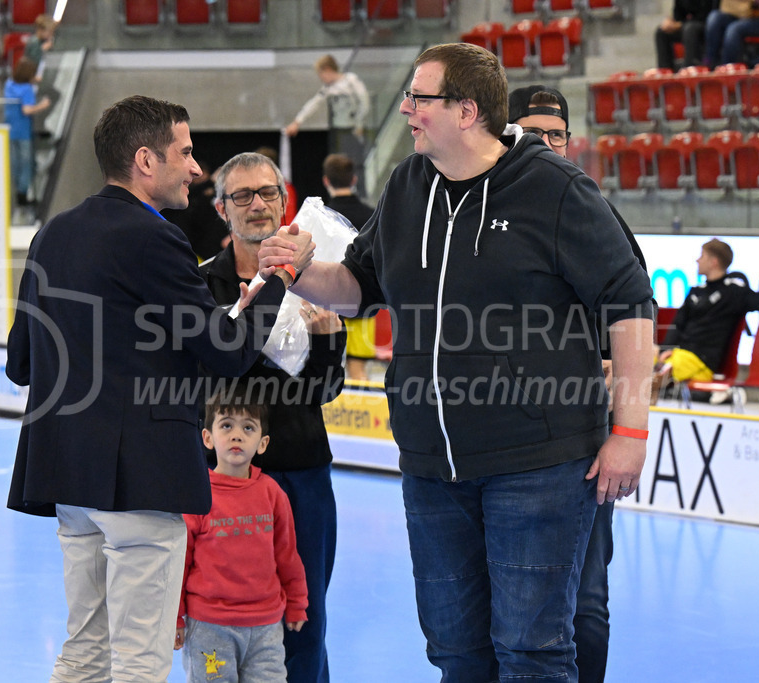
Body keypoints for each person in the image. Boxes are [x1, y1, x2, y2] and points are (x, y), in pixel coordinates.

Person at [259, 42, 656, 682]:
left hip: (540, 464)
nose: (408, 109)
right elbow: (360, 286)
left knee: (532, 651)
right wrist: (302, 271)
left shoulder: (554, 188)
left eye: (421, 98)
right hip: (431, 467)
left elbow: (631, 303)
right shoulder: (408, 184)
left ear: (467, 110)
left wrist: (630, 430)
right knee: (454, 651)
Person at [5, 95, 302, 682]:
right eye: (186, 152)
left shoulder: (52, 234)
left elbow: (21, 362)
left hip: (69, 476)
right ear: (146, 159)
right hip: (139, 479)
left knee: (84, 650)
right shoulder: (154, 237)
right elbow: (227, 351)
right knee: (140, 660)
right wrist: (282, 276)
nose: (196, 168)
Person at [509, 83, 651, 683]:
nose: (546, 145)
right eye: (532, 134)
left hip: (582, 441)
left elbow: (634, 320)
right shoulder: (478, 215)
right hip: (503, 443)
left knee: (584, 605)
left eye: (556, 134)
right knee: (502, 611)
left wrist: (628, 426)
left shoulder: (597, 214)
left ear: (570, 141)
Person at [199, 151, 345, 683]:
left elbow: (324, 391)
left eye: (267, 193)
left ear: (285, 203)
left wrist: (328, 345)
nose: (257, 205)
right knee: (216, 617)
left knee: (303, 620)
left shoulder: (320, 280)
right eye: (242, 196)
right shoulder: (201, 288)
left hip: (299, 474)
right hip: (222, 483)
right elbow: (201, 381)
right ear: (222, 210)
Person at [176, 384, 309, 683]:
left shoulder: (272, 494)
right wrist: (175, 617)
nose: (237, 435)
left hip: (266, 627)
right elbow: (180, 564)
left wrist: (297, 601)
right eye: (227, 425)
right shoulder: (198, 496)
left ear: (262, 443)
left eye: (248, 427)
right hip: (209, 626)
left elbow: (287, 554)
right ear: (208, 438)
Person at [657, 238, 759, 384]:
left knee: (662, 370)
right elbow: (677, 324)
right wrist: (665, 350)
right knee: (644, 358)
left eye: (702, 256)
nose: (697, 260)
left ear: (714, 262)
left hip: (701, 360)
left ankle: (665, 381)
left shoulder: (733, 292)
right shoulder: (696, 291)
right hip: (678, 354)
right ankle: (666, 380)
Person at [321, 153, 376, 382]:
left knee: (327, 371)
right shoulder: (373, 215)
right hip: (364, 301)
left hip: (328, 304)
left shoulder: (320, 216)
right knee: (358, 370)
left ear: (326, 181)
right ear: (354, 180)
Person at [284, 55, 370, 197]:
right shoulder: (328, 88)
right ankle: (342, 191)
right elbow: (313, 104)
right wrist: (297, 121)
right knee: (340, 162)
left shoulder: (350, 81)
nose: (321, 78)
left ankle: (359, 192)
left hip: (353, 130)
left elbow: (364, 101)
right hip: (339, 130)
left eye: (321, 73)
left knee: (356, 163)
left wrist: (359, 123)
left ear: (328, 69)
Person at [4, 57, 50, 208]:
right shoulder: (27, 89)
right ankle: (23, 193)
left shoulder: (9, 84)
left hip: (9, 130)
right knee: (27, 164)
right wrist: (43, 105)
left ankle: (17, 190)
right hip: (23, 132)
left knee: (15, 163)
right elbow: (27, 110)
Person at [704, 0, 759, 68]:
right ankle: (710, 63)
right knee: (714, 18)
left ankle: (728, 68)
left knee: (733, 29)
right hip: (737, 16)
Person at [655, 0, 715, 70]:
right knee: (662, 32)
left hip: (708, 25)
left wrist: (680, 24)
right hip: (687, 25)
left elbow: (706, 15)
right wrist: (670, 21)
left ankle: (689, 67)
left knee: (690, 29)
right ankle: (665, 70)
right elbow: (678, 15)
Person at [24, 13, 58, 82]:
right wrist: (43, 51)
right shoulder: (34, 43)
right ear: (40, 30)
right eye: (49, 32)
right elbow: (34, 61)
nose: (51, 34)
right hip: (32, 77)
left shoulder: (45, 41)